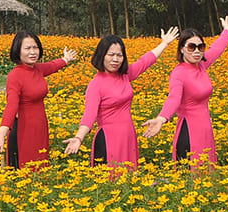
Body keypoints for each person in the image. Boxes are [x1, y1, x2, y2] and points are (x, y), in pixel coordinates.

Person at [64, 27, 180, 168]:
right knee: (111, 182)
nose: (115, 59)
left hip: (128, 136)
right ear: (102, 56)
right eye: (111, 54)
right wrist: (78, 138)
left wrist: (164, 43)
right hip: (108, 138)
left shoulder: (125, 75)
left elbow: (145, 61)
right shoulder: (96, 85)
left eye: (119, 55)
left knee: (128, 179)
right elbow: (89, 116)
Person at [142, 16, 228, 167]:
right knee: (191, 176)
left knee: (207, 175)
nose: (197, 51)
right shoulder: (179, 73)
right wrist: (161, 118)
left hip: (205, 130)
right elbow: (174, 98)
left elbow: (217, 49)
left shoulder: (202, 65)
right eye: (191, 47)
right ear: (182, 49)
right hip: (190, 131)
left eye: (201, 47)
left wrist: (227, 31)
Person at [0, 31, 77, 168]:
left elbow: (52, 66)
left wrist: (65, 59)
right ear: (18, 51)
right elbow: (11, 106)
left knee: (41, 166)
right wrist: (2, 133)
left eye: (35, 47)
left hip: (40, 126)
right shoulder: (15, 76)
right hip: (24, 129)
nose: (32, 52)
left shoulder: (38, 69)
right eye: (27, 48)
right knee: (25, 170)